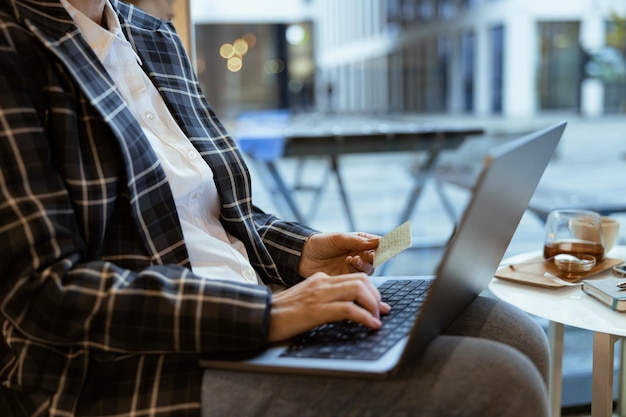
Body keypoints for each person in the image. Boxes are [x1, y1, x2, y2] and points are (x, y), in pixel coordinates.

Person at [0, 0, 550, 416]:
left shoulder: (153, 36)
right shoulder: (14, 47)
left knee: (513, 330)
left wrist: (303, 253)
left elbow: (217, 212)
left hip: (259, 300)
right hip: (127, 361)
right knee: (498, 382)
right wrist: (266, 315)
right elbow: (42, 291)